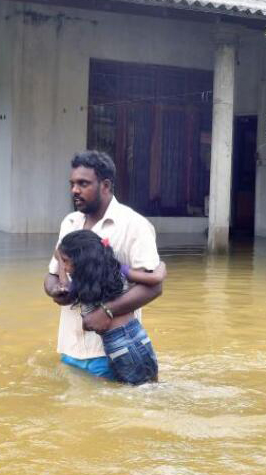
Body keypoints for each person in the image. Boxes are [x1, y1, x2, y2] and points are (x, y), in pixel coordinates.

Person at [43, 151, 165, 380]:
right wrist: (56, 291)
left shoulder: (134, 225)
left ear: (105, 185)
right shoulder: (70, 223)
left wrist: (107, 311)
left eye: (83, 184)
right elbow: (51, 274)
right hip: (70, 348)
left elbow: (154, 286)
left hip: (112, 352)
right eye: (72, 184)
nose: (74, 190)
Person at [56, 229, 163, 384]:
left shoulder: (81, 285)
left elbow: (64, 287)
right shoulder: (119, 270)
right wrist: (162, 266)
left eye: (66, 261)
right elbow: (155, 278)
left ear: (80, 261)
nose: (64, 267)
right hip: (140, 336)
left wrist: (58, 261)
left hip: (117, 344)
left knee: (135, 394)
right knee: (151, 387)